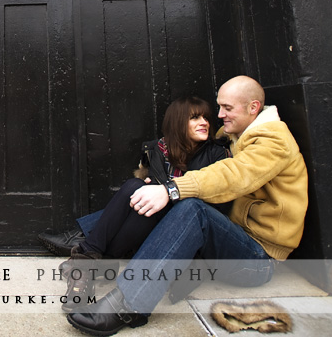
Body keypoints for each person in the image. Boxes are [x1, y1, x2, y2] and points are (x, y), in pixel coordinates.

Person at [65, 76, 309, 336]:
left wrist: (170, 189)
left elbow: (232, 175)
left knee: (192, 208)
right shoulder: (236, 133)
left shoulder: (273, 141)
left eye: (227, 108)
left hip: (258, 258)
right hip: (226, 236)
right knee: (140, 189)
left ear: (253, 107)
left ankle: (129, 302)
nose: (219, 115)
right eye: (219, 107)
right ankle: (90, 247)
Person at [45, 96, 231, 310]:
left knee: (151, 199)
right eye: (195, 117)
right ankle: (89, 264)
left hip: (184, 232)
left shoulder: (218, 153)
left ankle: (85, 261)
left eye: (206, 118)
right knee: (135, 186)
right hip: (149, 225)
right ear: (178, 122)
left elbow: (219, 202)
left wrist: (171, 190)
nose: (205, 122)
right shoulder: (158, 151)